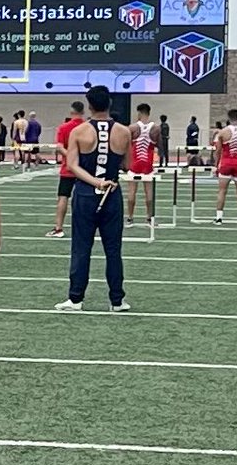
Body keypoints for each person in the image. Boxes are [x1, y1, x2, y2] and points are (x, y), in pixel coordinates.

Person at [55, 86, 130, 313]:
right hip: (112, 193)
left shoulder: (79, 131)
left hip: (87, 194)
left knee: (81, 247)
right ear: (109, 103)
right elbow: (127, 165)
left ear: (89, 105)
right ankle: (117, 300)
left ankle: (75, 298)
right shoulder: (124, 132)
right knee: (113, 249)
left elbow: (72, 165)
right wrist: (105, 178)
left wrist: (95, 182)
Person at [46, 101, 86, 238]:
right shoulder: (88, 127)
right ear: (83, 111)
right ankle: (86, 228)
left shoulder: (64, 127)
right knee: (84, 199)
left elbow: (59, 147)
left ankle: (58, 228)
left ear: (71, 111)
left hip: (68, 168)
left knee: (63, 197)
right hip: (85, 169)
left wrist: (71, 156)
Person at [126, 103, 158, 228]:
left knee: (131, 192)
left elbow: (127, 146)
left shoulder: (132, 128)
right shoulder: (156, 128)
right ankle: (149, 218)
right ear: (149, 113)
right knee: (149, 193)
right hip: (147, 165)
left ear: (139, 113)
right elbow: (159, 145)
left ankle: (130, 218)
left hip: (135, 164)